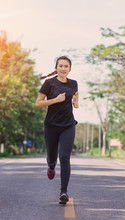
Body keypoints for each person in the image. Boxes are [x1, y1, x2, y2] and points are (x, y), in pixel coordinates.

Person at [35, 56, 79, 204]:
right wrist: (55, 100)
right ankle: (51, 165)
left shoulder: (73, 84)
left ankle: (63, 192)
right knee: (52, 156)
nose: (63, 69)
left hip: (68, 125)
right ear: (56, 68)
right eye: (60, 66)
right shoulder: (49, 83)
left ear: (70, 69)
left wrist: (75, 101)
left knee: (65, 157)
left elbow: (76, 93)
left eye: (66, 66)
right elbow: (38, 103)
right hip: (51, 125)